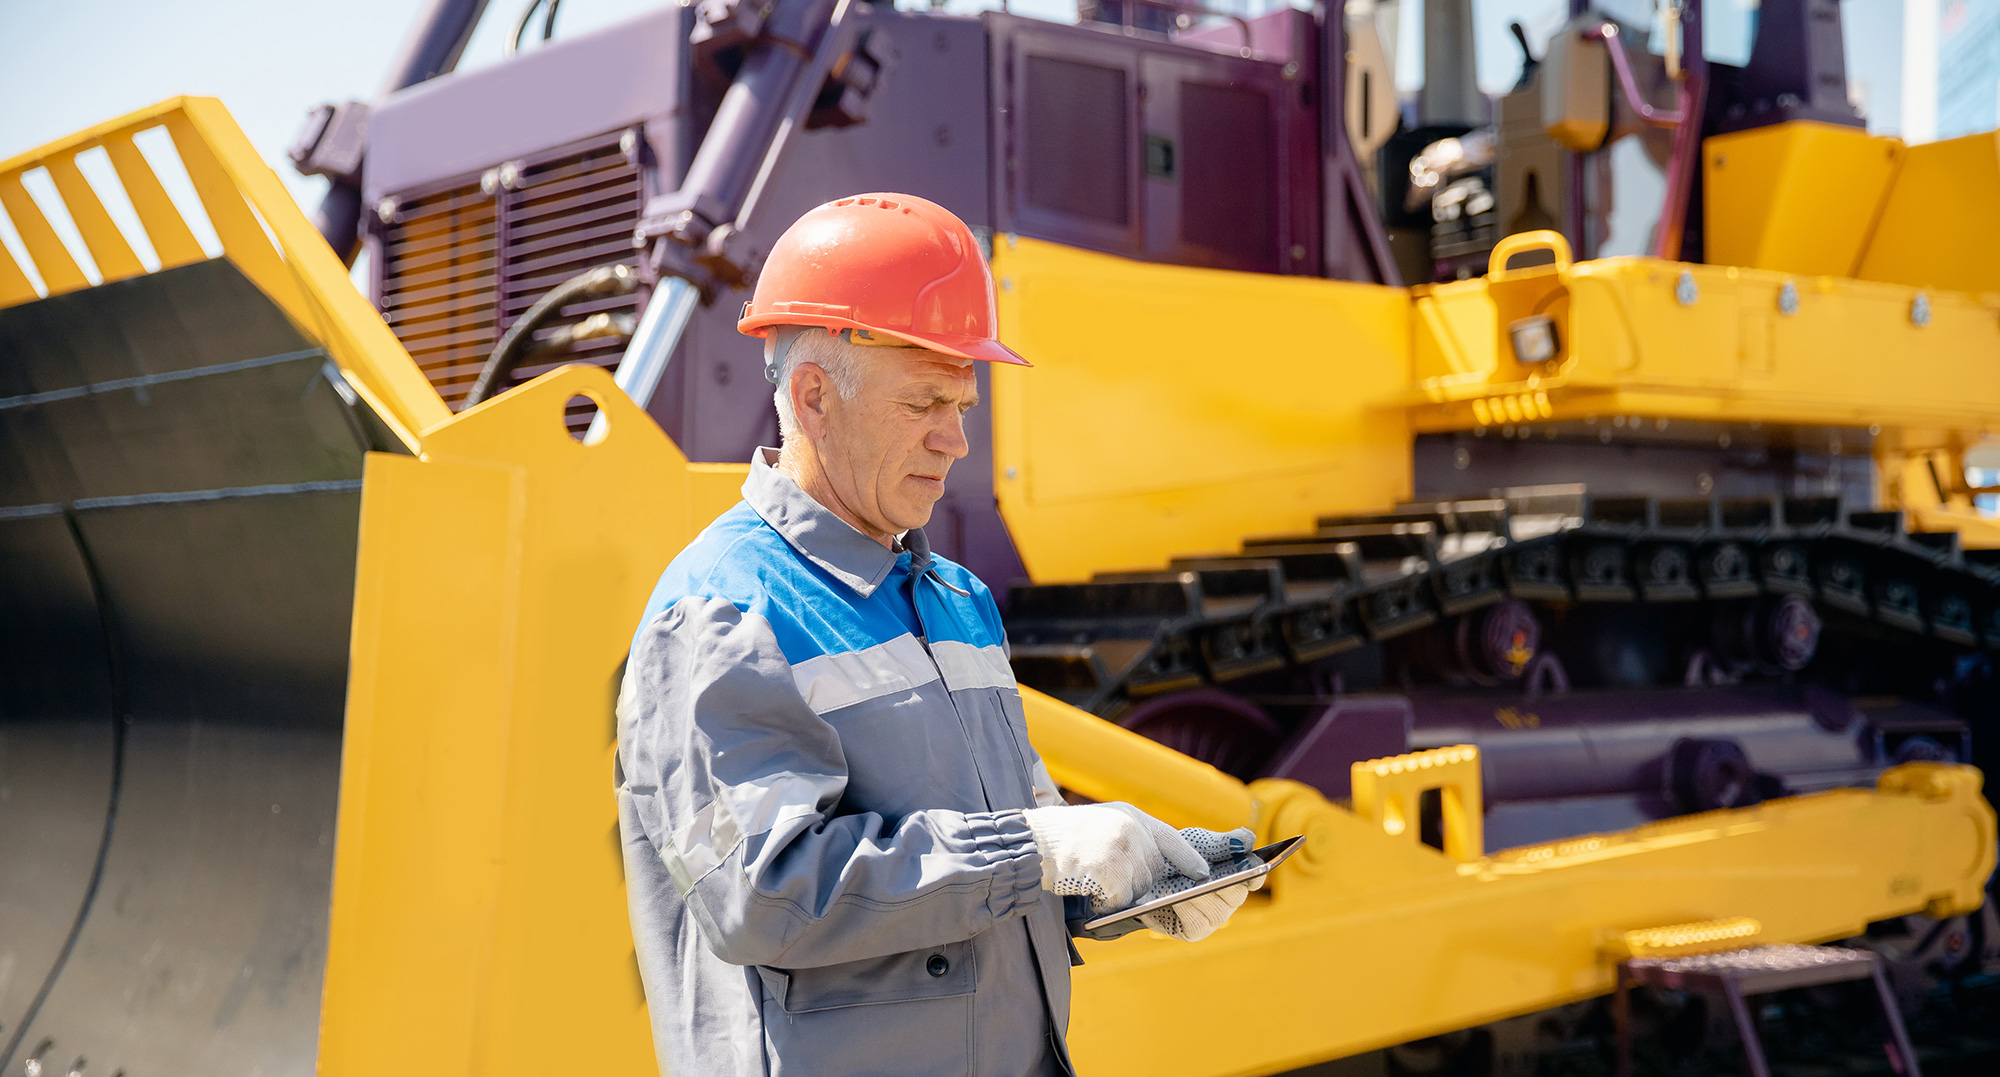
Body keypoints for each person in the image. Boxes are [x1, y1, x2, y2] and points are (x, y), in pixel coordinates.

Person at [615, 193, 1257, 1077]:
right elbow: (760, 895)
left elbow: (997, 875)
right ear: (813, 398)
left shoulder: (957, 599)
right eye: (924, 402)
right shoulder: (724, 614)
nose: (955, 440)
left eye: (962, 402)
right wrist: (1039, 852)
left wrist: (1130, 874)